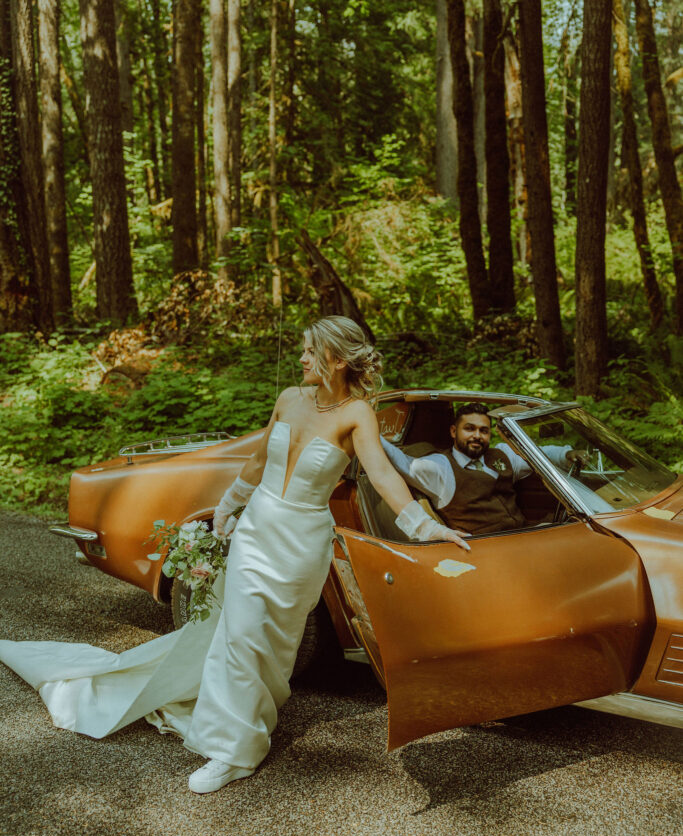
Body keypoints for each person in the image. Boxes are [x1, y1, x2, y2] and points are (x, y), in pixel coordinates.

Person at [0, 316, 468, 796]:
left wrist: (424, 526)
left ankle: (247, 713)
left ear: (337, 359)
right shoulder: (290, 398)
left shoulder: (357, 414)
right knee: (240, 634)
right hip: (257, 529)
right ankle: (232, 749)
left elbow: (386, 477)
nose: (302, 358)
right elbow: (260, 459)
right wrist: (227, 507)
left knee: (274, 645)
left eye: (310, 351)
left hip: (302, 542)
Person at [381, 401, 576, 536]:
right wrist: (366, 429)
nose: (477, 435)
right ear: (453, 431)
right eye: (469, 429)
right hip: (486, 551)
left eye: (483, 431)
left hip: (524, 534)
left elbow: (538, 454)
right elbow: (401, 462)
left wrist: (566, 455)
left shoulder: (501, 455)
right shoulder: (440, 467)